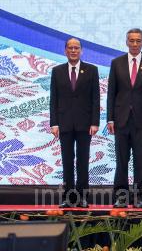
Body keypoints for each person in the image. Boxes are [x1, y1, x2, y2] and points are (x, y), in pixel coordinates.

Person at [107, 28, 142, 208]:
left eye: (138, 40)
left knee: (139, 160)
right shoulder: (117, 63)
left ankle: (138, 197)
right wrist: (110, 119)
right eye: (131, 40)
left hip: (141, 120)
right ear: (126, 42)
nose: (135, 44)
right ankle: (121, 197)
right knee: (121, 160)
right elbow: (111, 92)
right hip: (121, 119)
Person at [49, 38, 100, 208]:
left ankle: (82, 197)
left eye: (76, 48)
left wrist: (95, 122)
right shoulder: (57, 71)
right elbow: (54, 99)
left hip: (85, 124)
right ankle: (68, 197)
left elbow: (95, 98)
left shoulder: (92, 70)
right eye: (70, 48)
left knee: (83, 161)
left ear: (81, 51)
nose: (73, 50)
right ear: (65, 50)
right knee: (67, 161)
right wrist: (54, 123)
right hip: (64, 123)